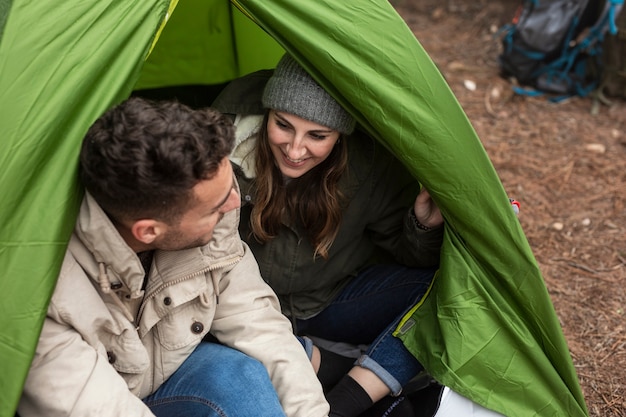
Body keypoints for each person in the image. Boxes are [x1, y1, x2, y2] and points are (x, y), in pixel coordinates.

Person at [17, 97, 330, 417]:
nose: (236, 202)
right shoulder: (43, 295)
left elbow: (261, 326)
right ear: (148, 231)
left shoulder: (214, 219)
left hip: (168, 375)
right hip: (99, 402)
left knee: (239, 377)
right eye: (216, 204)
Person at [212, 54, 445, 417]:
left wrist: (422, 225)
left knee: (447, 291)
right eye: (283, 125)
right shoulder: (223, 145)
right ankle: (334, 366)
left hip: (327, 299)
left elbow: (406, 257)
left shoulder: (367, 164)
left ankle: (341, 404)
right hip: (239, 307)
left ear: (340, 136)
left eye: (317, 135)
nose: (294, 149)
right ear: (267, 112)